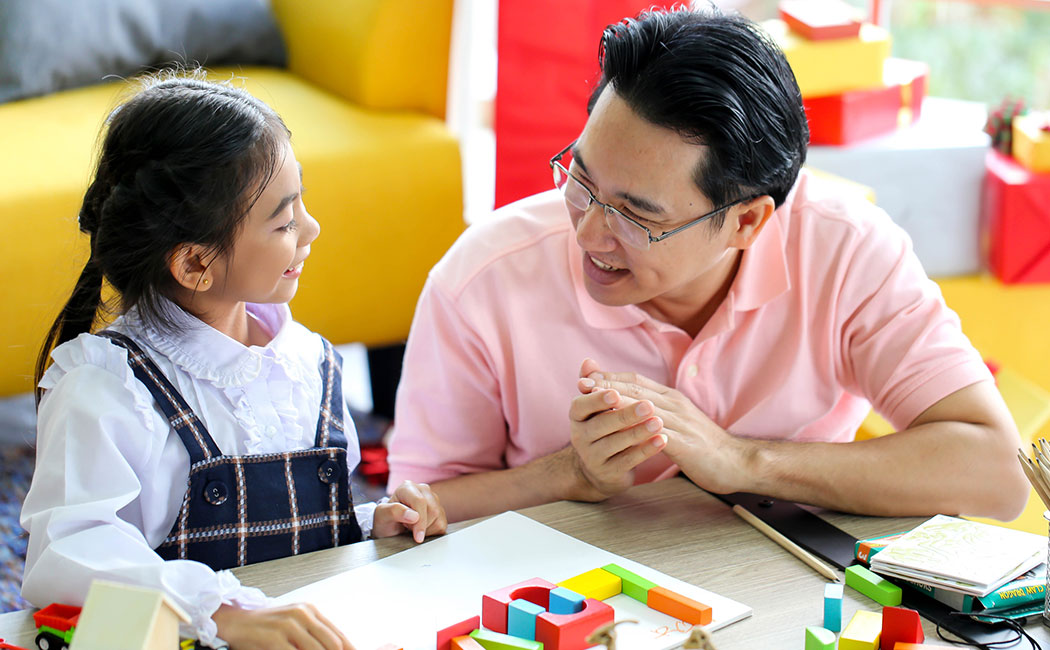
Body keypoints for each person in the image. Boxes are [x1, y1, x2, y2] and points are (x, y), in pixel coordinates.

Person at [386, 7, 1028, 524]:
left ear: (747, 222)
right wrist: (569, 475)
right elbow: (410, 516)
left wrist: (743, 461)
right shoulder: (480, 280)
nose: (586, 231)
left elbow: (996, 473)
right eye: (580, 179)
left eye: (636, 217)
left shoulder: (847, 249)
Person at [21, 73, 446, 650]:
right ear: (196, 263)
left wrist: (371, 525)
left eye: (302, 202)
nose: (313, 228)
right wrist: (218, 611)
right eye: (285, 219)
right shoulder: (107, 389)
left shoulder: (309, 364)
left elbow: (305, 535)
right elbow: (66, 558)